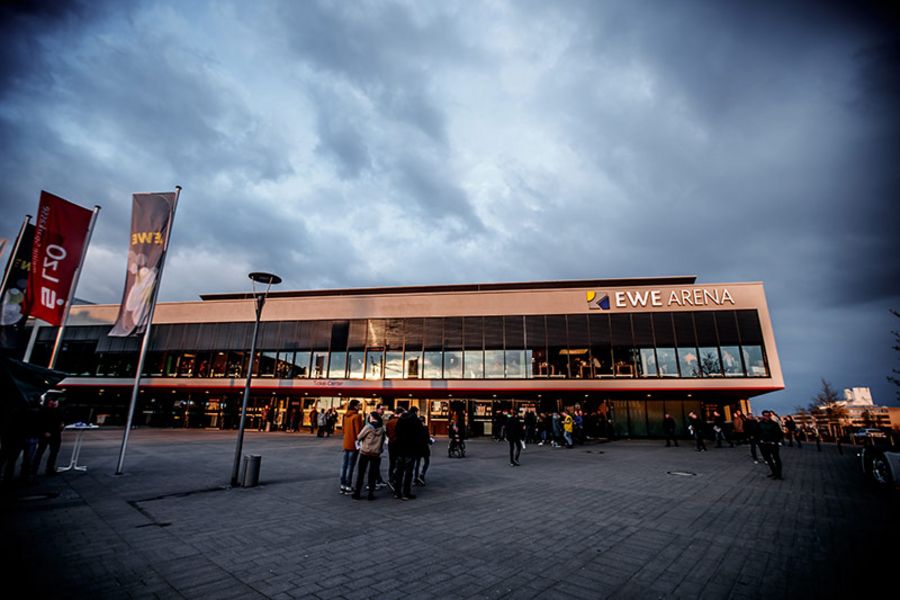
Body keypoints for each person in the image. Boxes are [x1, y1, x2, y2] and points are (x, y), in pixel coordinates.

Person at [392, 406, 425, 500]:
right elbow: (420, 435)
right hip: (411, 449)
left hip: (400, 449)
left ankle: (397, 492)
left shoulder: (401, 420)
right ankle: (406, 493)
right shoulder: (416, 421)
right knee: (408, 472)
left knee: (399, 471)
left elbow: (396, 432)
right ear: (416, 412)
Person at [352, 409, 385, 500]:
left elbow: (359, 437)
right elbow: (382, 441)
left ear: (372, 417)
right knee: (372, 474)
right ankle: (371, 494)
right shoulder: (382, 428)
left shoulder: (368, 427)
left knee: (361, 473)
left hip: (365, 452)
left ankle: (357, 492)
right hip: (376, 453)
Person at [32, 393, 65, 477]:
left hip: (55, 433)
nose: (54, 403)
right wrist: (44, 431)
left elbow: (61, 420)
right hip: (48, 433)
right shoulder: (44, 410)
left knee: (52, 452)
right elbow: (39, 422)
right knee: (41, 452)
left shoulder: (57, 410)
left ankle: (49, 468)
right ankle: (35, 470)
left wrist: (62, 424)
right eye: (53, 401)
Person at [339, 400, 363, 495]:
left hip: (346, 443)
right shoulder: (357, 416)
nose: (359, 406)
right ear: (354, 406)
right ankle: (348, 486)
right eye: (358, 405)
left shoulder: (345, 416)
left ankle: (342, 485)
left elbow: (344, 430)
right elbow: (359, 433)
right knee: (350, 466)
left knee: (344, 465)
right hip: (354, 444)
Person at [758, 410, 784, 480]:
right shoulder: (760, 424)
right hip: (764, 444)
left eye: (768, 415)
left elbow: (779, 434)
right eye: (765, 415)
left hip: (773, 444)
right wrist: (760, 441)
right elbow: (758, 433)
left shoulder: (774, 424)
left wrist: (776, 441)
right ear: (763, 416)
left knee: (776, 458)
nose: (766, 417)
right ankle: (774, 472)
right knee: (768, 459)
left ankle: (779, 474)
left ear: (770, 416)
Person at [385, 407, 405, 488]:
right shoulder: (401, 422)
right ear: (400, 414)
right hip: (399, 444)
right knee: (399, 462)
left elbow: (387, 433)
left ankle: (390, 478)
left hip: (391, 443)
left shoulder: (389, 422)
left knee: (392, 462)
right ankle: (396, 478)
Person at [413, 416, 433, 486]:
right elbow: (427, 438)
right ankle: (422, 474)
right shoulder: (425, 428)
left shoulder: (415, 429)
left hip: (417, 448)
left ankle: (415, 478)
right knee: (426, 461)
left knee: (417, 463)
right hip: (424, 447)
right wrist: (431, 441)